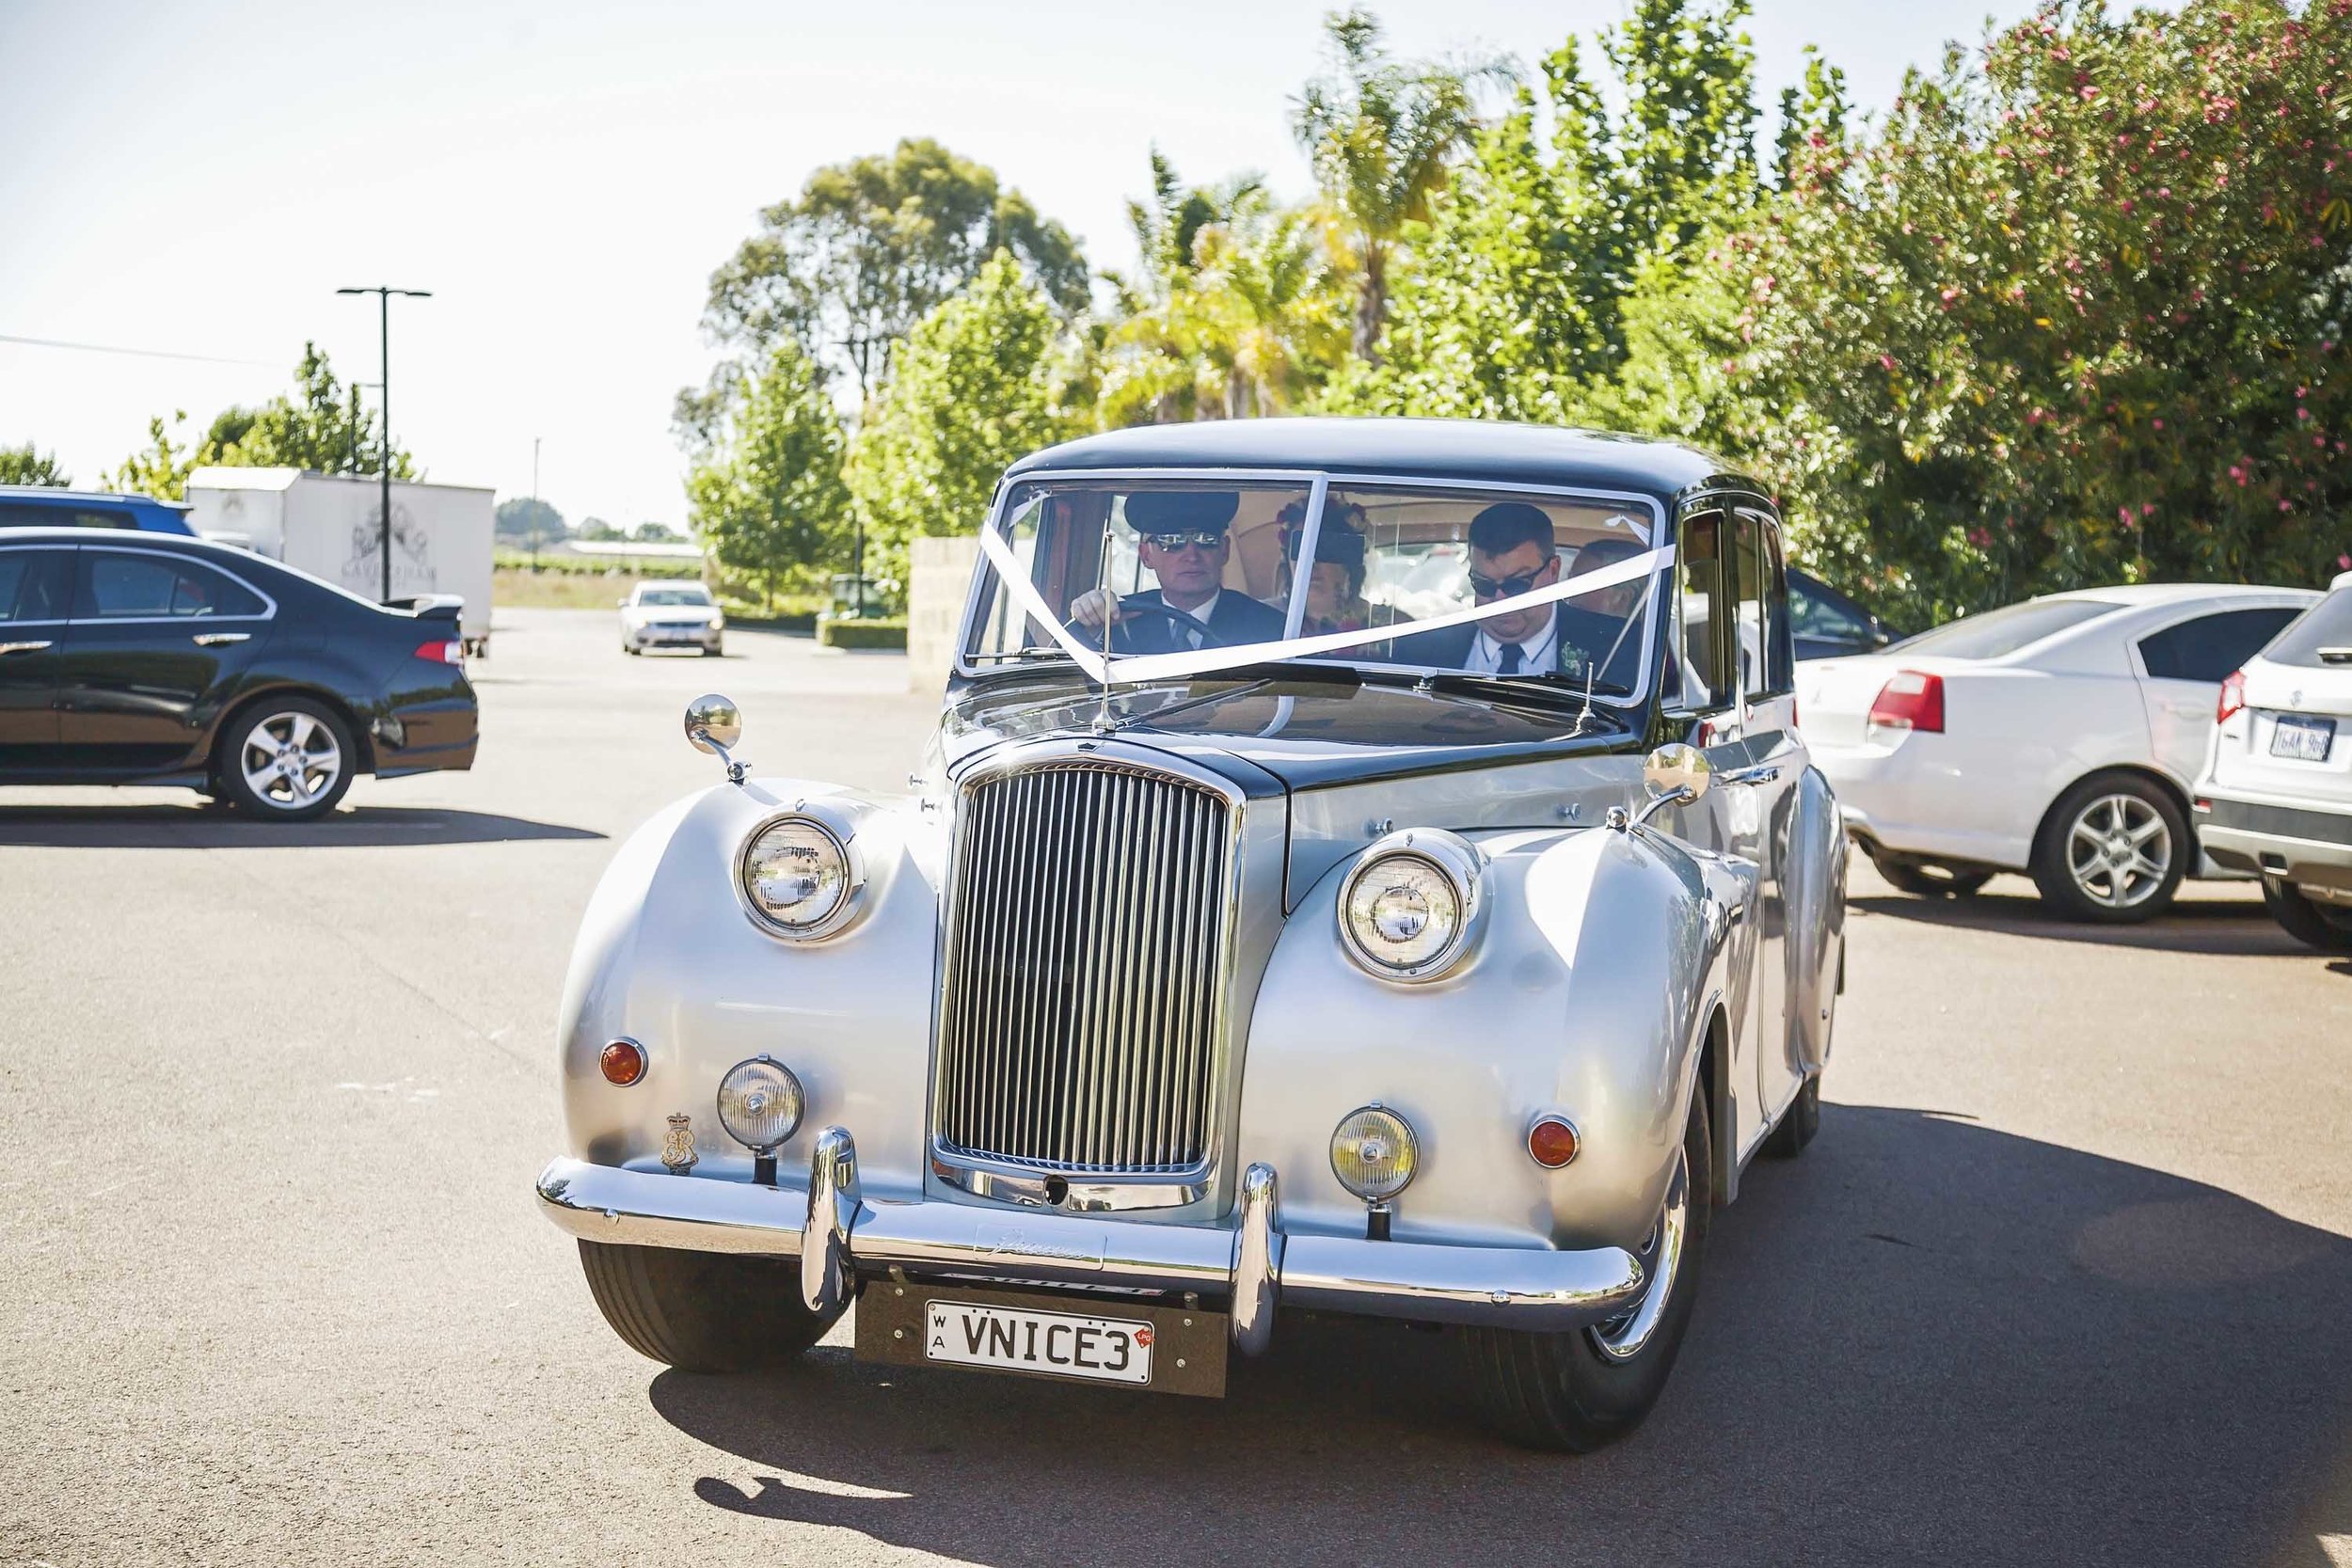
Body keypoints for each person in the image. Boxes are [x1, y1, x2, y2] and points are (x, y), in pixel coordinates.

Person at [1393, 502, 1649, 689]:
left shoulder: (1622, 648)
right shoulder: (1418, 650)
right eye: (1484, 585)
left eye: (1517, 585)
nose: (1500, 601)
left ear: (1553, 571)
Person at [1066, 490, 1288, 654]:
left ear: (1224, 550)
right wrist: (1089, 625)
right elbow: (1064, 687)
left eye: (1206, 540)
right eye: (1171, 541)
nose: (1191, 555)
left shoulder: (1270, 627)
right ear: (1146, 556)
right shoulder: (1118, 618)